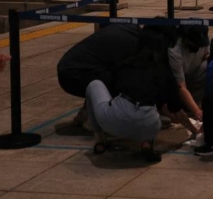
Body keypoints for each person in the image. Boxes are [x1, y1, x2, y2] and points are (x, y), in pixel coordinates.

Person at [85, 27, 198, 163]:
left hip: (113, 122)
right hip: (149, 126)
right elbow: (178, 113)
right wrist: (196, 132)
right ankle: (146, 144)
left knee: (94, 85)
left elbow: (111, 87)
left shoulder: (125, 64)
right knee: (151, 109)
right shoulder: (164, 74)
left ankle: (100, 141)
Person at [57, 24, 145, 125]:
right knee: (120, 83)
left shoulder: (128, 30)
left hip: (71, 68)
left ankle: (88, 114)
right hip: (73, 75)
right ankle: (92, 119)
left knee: (109, 77)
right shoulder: (132, 44)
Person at [167, 24, 209, 121]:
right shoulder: (175, 51)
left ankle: (196, 103)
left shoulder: (203, 41)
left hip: (194, 72)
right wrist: (196, 111)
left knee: (211, 65)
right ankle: (188, 107)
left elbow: (206, 55)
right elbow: (181, 86)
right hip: (178, 81)